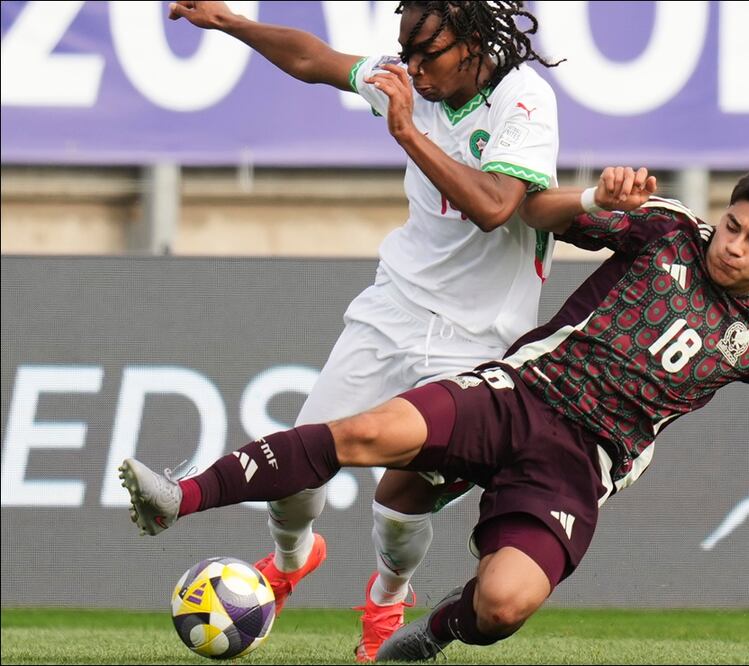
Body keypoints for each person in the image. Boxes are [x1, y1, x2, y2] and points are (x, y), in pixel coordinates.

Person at [120, 167, 749, 661]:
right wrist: (595, 194)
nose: (730, 245)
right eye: (730, 226)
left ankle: (431, 633)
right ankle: (180, 498)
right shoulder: (666, 231)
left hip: (578, 465)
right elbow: (533, 212)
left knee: (503, 607)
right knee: (370, 437)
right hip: (519, 394)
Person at [165, 1, 562, 660]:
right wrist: (231, 23)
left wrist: (409, 132)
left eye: (424, 54)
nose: (410, 68)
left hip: (479, 345)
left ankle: (386, 597)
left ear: (469, 43)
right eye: (403, 53)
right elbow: (313, 59)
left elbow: (496, 207)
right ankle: (290, 561)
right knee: (294, 478)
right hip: (393, 311)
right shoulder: (409, 82)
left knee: (398, 505)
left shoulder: (523, 101)